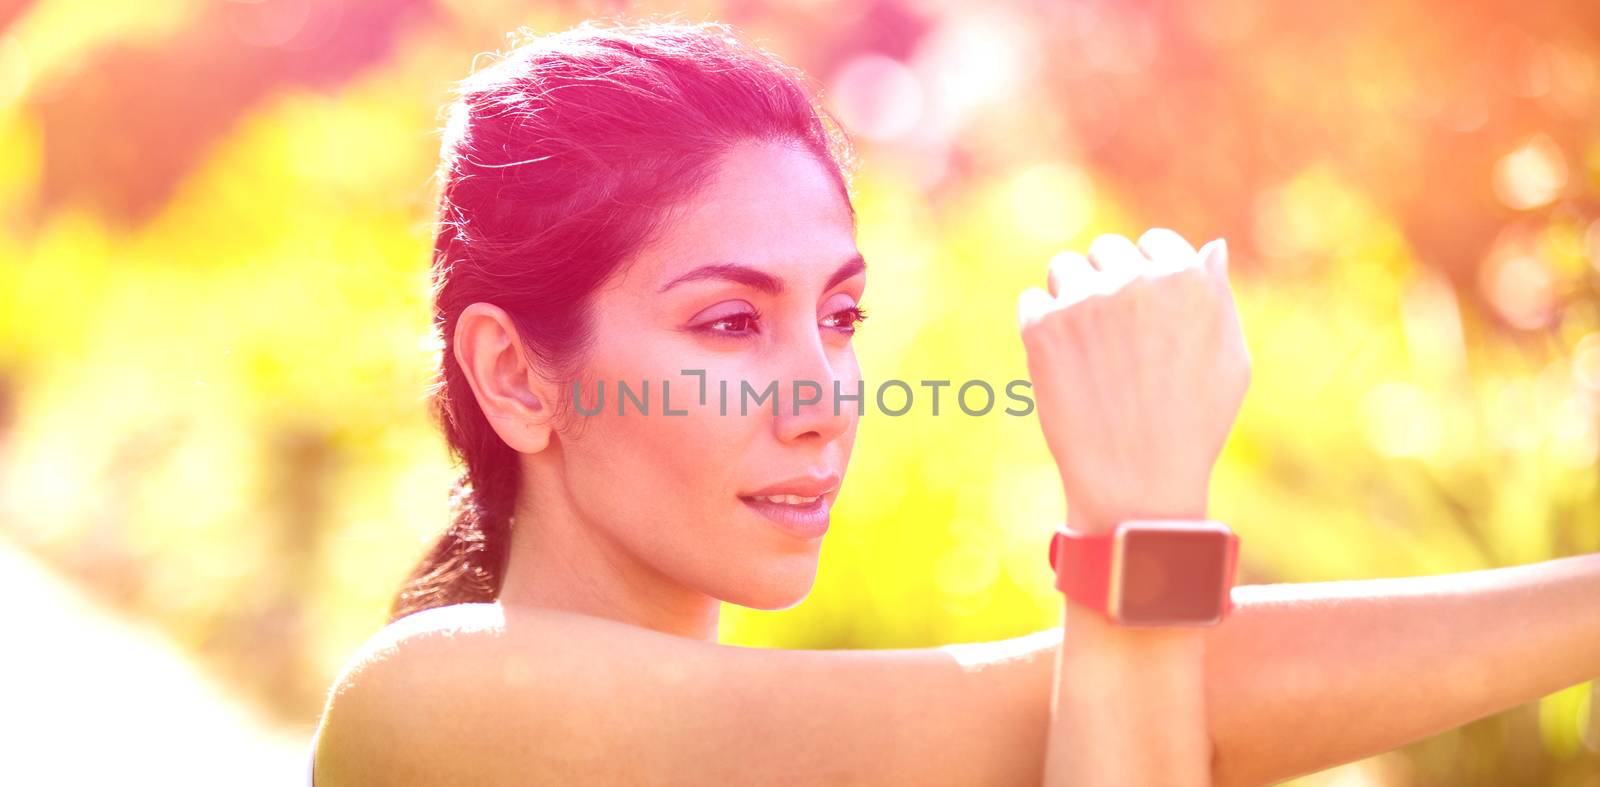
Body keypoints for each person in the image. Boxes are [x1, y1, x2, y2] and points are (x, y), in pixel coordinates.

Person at [310, 18, 1600, 787]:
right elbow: (1079, 704)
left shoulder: (785, 736)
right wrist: (1138, 515)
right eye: (728, 321)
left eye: (842, 316)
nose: (822, 399)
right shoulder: (432, 710)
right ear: (516, 376)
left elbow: (1106, 700)